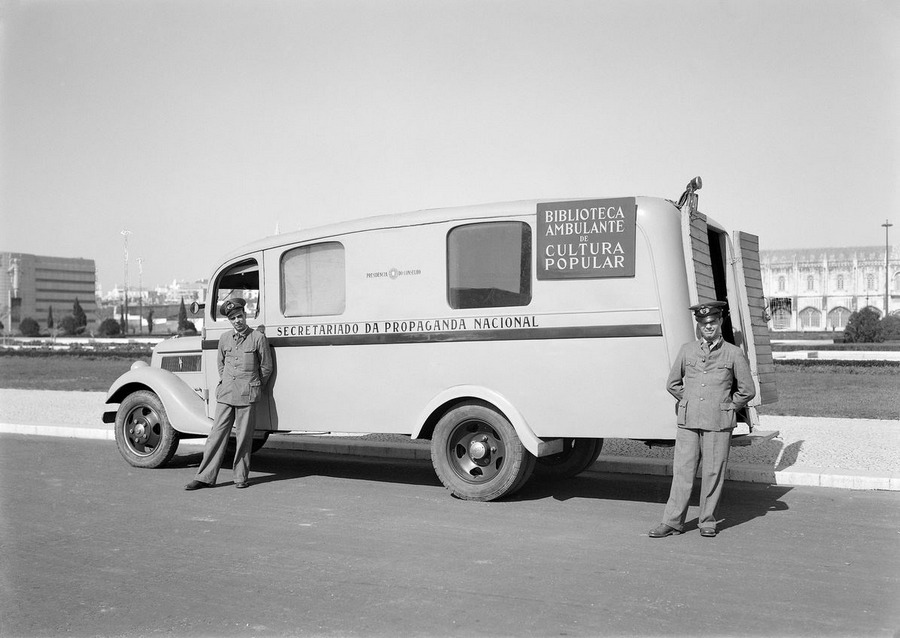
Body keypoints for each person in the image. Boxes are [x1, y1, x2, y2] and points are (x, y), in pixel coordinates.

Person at [649, 301, 756, 538]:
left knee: (713, 473)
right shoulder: (687, 350)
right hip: (688, 422)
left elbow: (747, 390)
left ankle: (708, 520)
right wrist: (686, 401)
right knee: (682, 473)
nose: (708, 327)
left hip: (718, 422)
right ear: (699, 326)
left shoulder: (733, 353)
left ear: (720, 323)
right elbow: (672, 383)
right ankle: (672, 521)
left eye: (712, 322)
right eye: (703, 323)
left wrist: (729, 406)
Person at [185, 297, 273, 490]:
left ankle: (240, 477)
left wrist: (254, 386)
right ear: (230, 320)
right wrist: (224, 384)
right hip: (226, 394)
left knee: (243, 438)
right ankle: (204, 477)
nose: (237, 321)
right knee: (216, 435)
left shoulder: (258, 338)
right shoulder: (224, 339)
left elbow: (266, 367)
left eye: (240, 316)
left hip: (247, 395)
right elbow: (221, 364)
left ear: (245, 315)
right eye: (233, 318)